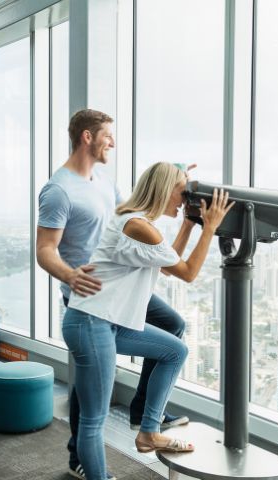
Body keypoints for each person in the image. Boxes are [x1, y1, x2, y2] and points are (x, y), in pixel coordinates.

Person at [36, 109, 194, 480]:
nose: (114, 143)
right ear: (87, 137)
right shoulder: (59, 189)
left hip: (119, 283)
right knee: (91, 382)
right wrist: (69, 275)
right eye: (108, 136)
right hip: (88, 291)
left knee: (174, 326)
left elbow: (136, 210)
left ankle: (144, 415)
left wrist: (176, 175)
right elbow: (45, 249)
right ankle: (80, 453)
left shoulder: (103, 181)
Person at [63, 162, 233, 480]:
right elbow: (188, 272)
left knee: (174, 350)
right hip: (90, 322)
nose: (185, 201)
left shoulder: (137, 222)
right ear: (164, 190)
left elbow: (170, 265)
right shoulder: (137, 225)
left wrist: (190, 224)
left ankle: (149, 433)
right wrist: (209, 227)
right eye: (182, 193)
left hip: (109, 323)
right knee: (93, 419)